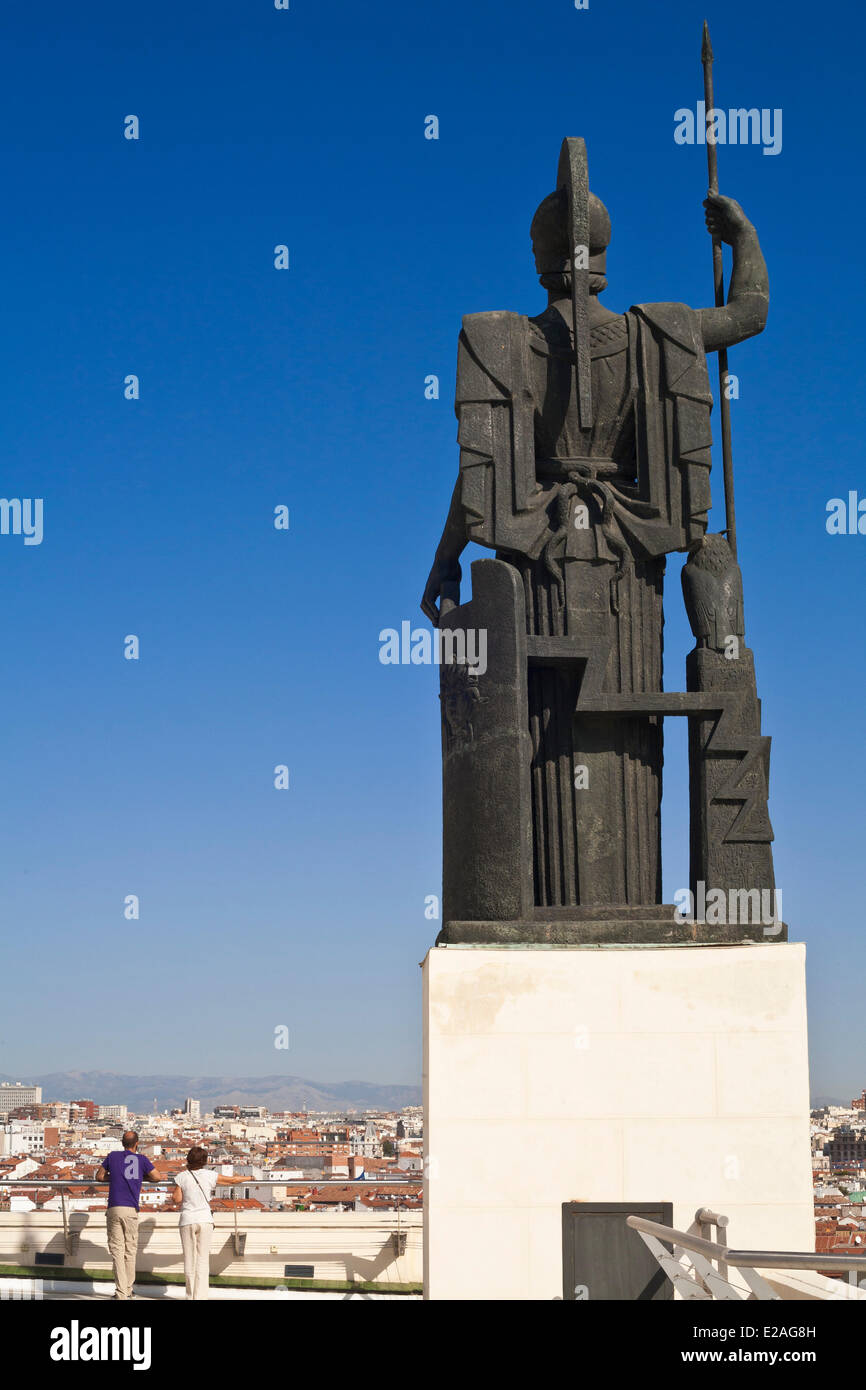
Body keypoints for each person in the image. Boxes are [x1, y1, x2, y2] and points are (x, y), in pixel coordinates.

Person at [95, 1130, 161, 1300]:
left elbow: (99, 1176)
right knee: (130, 1251)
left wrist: (114, 1176)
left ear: (122, 1143)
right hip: (131, 1209)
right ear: (137, 1143)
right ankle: (128, 1289)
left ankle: (120, 1293)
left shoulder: (113, 1156)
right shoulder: (141, 1160)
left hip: (114, 1207)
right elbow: (156, 1177)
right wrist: (141, 1175)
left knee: (117, 1251)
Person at [172, 1146, 234, 1300]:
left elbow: (176, 1199)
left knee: (189, 1259)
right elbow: (231, 1180)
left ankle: (189, 1295)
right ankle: (200, 1297)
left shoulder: (182, 1176)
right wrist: (250, 1179)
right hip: (205, 1220)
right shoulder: (210, 1175)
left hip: (187, 1220)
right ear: (205, 1161)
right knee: (202, 1259)